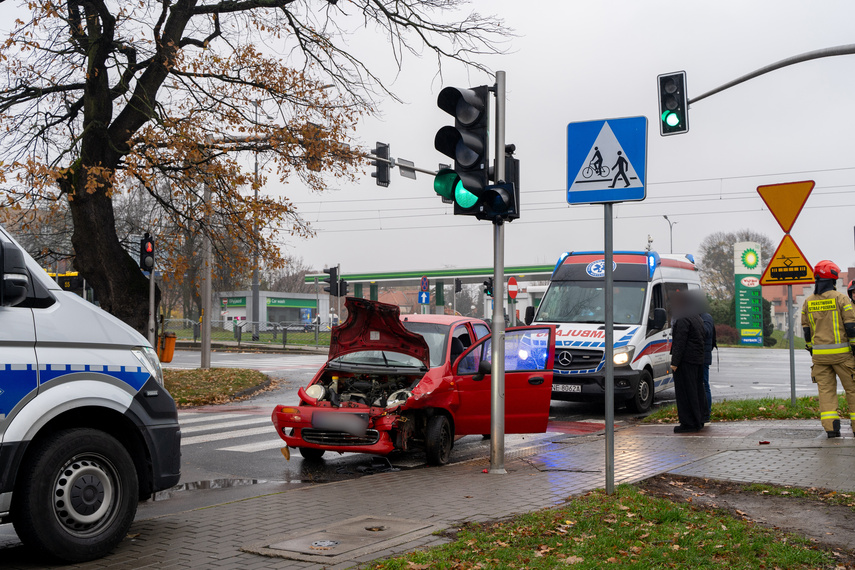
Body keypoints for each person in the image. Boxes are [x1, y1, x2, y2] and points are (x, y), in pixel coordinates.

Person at [800, 260, 855, 438]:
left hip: (820, 358)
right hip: (843, 356)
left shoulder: (808, 302)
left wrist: (812, 350)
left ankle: (832, 429)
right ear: (833, 278)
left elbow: (806, 331)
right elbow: (850, 327)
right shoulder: (841, 298)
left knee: (826, 392)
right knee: (853, 390)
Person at [669, 290, 707, 433]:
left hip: (685, 361)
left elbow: (680, 342)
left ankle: (688, 423)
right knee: (697, 390)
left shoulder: (682, 318)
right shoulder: (696, 317)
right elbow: (702, 337)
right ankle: (699, 420)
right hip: (697, 359)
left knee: (685, 392)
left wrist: (675, 362)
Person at [699, 294, 717, 425]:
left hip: (703, 357)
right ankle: (702, 412)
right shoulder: (702, 317)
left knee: (704, 385)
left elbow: (706, 332)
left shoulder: (706, 318)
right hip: (700, 355)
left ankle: (707, 414)